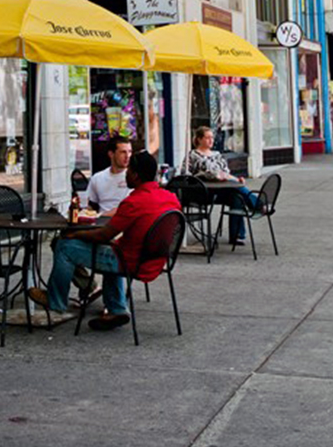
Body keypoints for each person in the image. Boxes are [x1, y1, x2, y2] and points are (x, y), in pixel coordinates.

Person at [28, 151, 180, 331]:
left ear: (136, 176)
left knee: (64, 245)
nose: (126, 173)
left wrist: (75, 235)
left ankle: (56, 302)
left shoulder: (134, 202)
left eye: (129, 170)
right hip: (155, 260)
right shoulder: (171, 198)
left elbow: (103, 235)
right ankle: (116, 308)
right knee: (114, 247)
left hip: (129, 261)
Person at [186, 126, 258, 245]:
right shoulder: (192, 155)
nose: (211, 140)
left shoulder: (217, 154)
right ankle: (258, 205)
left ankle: (236, 236)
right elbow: (187, 174)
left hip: (221, 191)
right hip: (204, 192)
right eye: (207, 137)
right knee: (237, 191)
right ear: (199, 139)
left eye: (212, 138)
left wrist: (236, 179)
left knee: (237, 197)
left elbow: (226, 173)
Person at [86, 136, 132, 216]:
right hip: (101, 223)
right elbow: (91, 205)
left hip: (124, 221)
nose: (127, 156)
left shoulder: (134, 178)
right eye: (123, 152)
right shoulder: (97, 178)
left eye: (130, 152)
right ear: (111, 154)